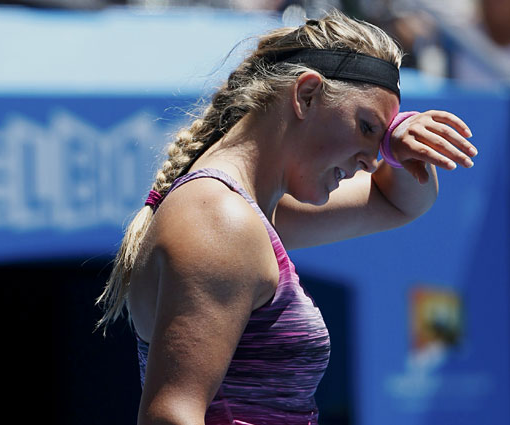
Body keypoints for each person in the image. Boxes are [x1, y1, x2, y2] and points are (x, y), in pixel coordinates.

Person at [96, 10, 477, 425]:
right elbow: (170, 416)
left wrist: (394, 140)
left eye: (378, 139)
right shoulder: (220, 219)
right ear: (307, 95)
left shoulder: (247, 211)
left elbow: (400, 202)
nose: (371, 160)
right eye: (367, 127)